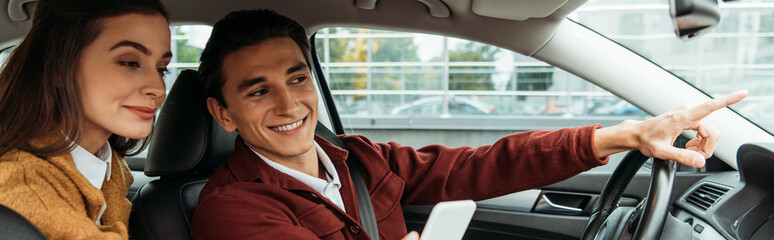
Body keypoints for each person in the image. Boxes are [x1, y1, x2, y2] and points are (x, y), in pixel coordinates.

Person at [189, 9, 747, 240]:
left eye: (297, 78)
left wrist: (627, 134)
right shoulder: (232, 209)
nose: (289, 105)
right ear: (223, 113)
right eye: (257, 91)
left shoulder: (355, 158)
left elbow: (483, 165)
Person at [0, 0, 170, 239]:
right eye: (130, 63)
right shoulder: (22, 188)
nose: (158, 89)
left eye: (162, 69)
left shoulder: (108, 164)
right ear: (59, 66)